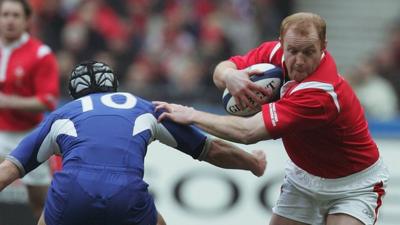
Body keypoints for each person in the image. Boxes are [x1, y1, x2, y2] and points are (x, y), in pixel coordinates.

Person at [154, 12, 390, 225]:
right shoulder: (275, 53)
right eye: (293, 51)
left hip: (352, 185)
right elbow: (222, 70)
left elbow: (247, 133)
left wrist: (193, 115)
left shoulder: (321, 93)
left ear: (323, 47)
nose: (298, 60)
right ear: (281, 43)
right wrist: (230, 75)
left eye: (308, 52)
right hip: (304, 177)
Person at [0, 60, 266, 225]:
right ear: (115, 87)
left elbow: (10, 169)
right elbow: (211, 149)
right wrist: (252, 163)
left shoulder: (62, 114)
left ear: (72, 94)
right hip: (125, 192)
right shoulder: (142, 107)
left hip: (72, 192)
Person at [0, 0, 59, 221]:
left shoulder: (40, 54)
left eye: (15, 15)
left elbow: (48, 101)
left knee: (40, 202)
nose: (9, 20)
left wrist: (7, 101)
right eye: (5, 14)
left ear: (26, 21)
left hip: (28, 135)